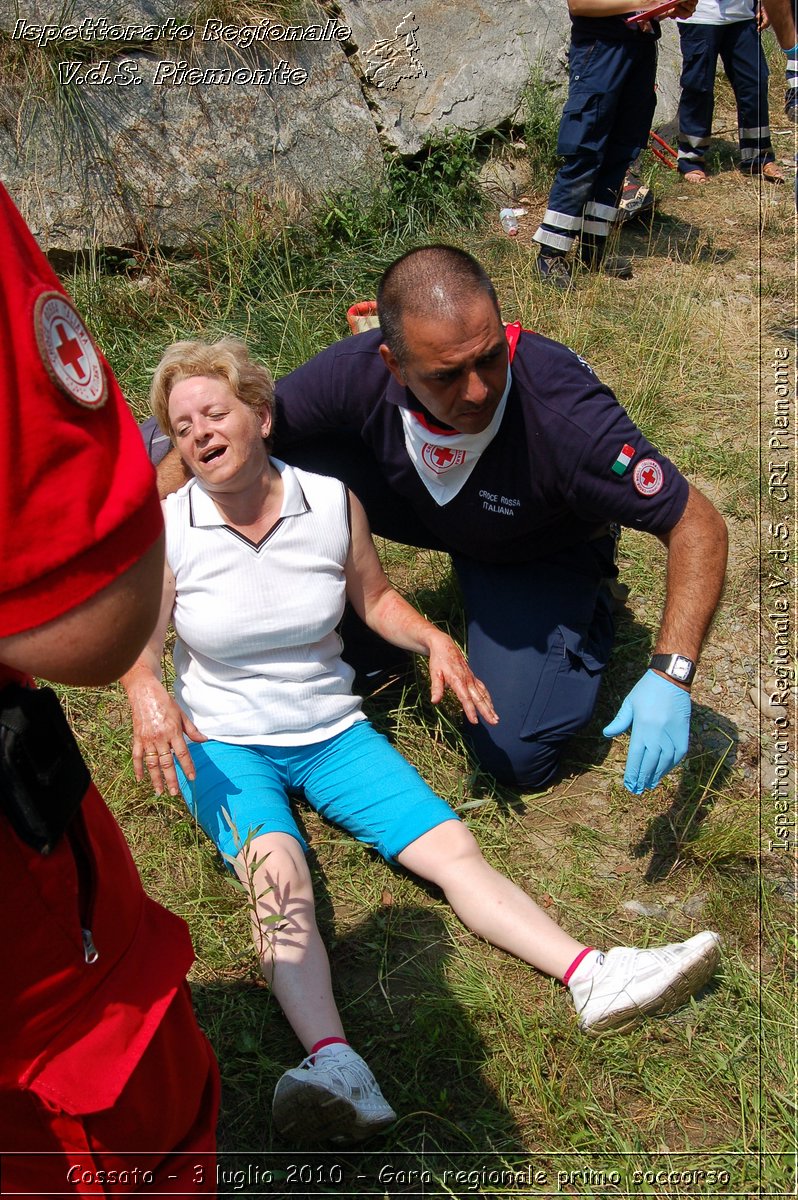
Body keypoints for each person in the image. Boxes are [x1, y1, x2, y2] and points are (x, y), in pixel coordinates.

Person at [126, 335, 722, 1146]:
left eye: (214, 411)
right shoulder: (170, 526)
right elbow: (141, 639)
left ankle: (595, 974)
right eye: (179, 423)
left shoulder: (330, 503)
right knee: (279, 869)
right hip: (224, 742)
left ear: (262, 417)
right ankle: (336, 1065)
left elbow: (373, 598)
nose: (196, 432)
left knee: (452, 851)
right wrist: (145, 690)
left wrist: (434, 641)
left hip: (332, 729)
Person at [0, 183, 219, 1194]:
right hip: (36, 972)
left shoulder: (323, 500)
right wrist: (137, 668)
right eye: (185, 422)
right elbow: (88, 612)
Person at [531, 0, 698, 287]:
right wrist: (648, 2)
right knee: (585, 150)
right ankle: (552, 253)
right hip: (600, 51)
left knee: (621, 152)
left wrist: (668, 8)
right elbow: (580, 5)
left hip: (639, 50)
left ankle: (593, 250)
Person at [675, 0, 785, 183]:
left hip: (743, 16)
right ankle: (691, 159)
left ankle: (758, 157)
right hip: (699, 16)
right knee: (698, 87)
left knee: (754, 82)